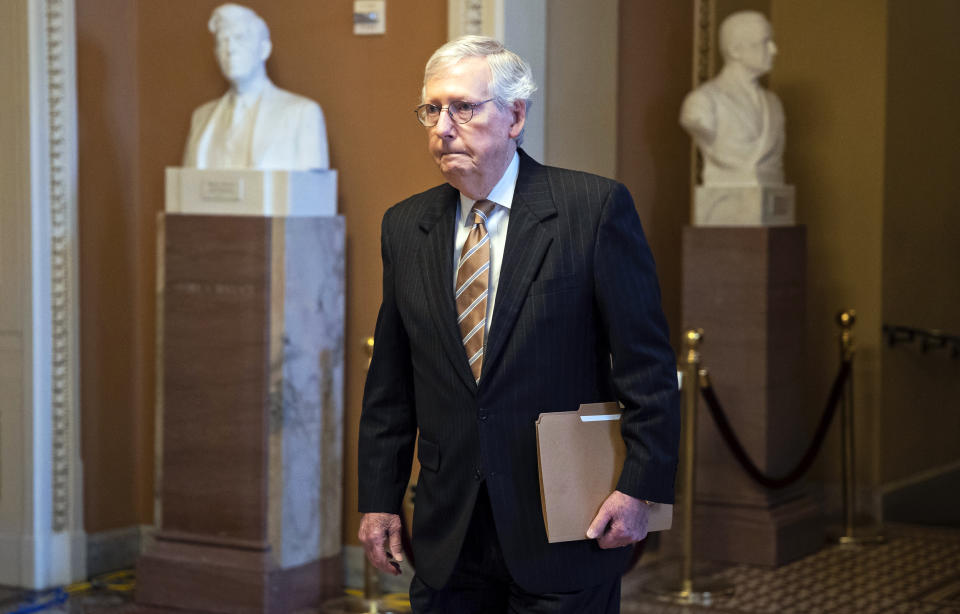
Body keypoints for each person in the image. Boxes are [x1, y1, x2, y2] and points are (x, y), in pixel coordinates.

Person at [357, 36, 679, 613]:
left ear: (516, 116)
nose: (443, 126)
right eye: (432, 109)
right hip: (448, 530)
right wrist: (379, 500)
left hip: (564, 521)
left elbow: (648, 369)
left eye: (464, 107)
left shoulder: (593, 209)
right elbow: (391, 384)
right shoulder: (405, 227)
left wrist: (639, 489)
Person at [182, 3, 328, 170]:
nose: (230, 49)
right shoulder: (201, 118)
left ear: (264, 49)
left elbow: (314, 191)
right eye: (223, 41)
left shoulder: (302, 114)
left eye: (240, 38)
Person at [680, 10, 785, 186]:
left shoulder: (773, 104)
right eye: (765, 42)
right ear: (736, 50)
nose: (774, 50)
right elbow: (695, 122)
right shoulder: (703, 102)